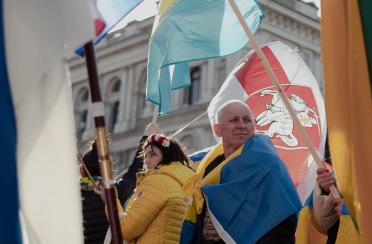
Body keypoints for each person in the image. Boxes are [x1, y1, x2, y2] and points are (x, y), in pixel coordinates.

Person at [180, 100, 301, 244]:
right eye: (233, 120)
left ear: (253, 126)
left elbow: (284, 218)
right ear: (218, 130)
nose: (242, 125)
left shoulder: (268, 164)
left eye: (247, 120)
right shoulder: (206, 172)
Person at [94, 131, 194, 243]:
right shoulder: (186, 182)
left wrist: (111, 200)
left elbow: (124, 229)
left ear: (167, 157)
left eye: (153, 155)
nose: (146, 160)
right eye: (145, 155)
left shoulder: (158, 181)